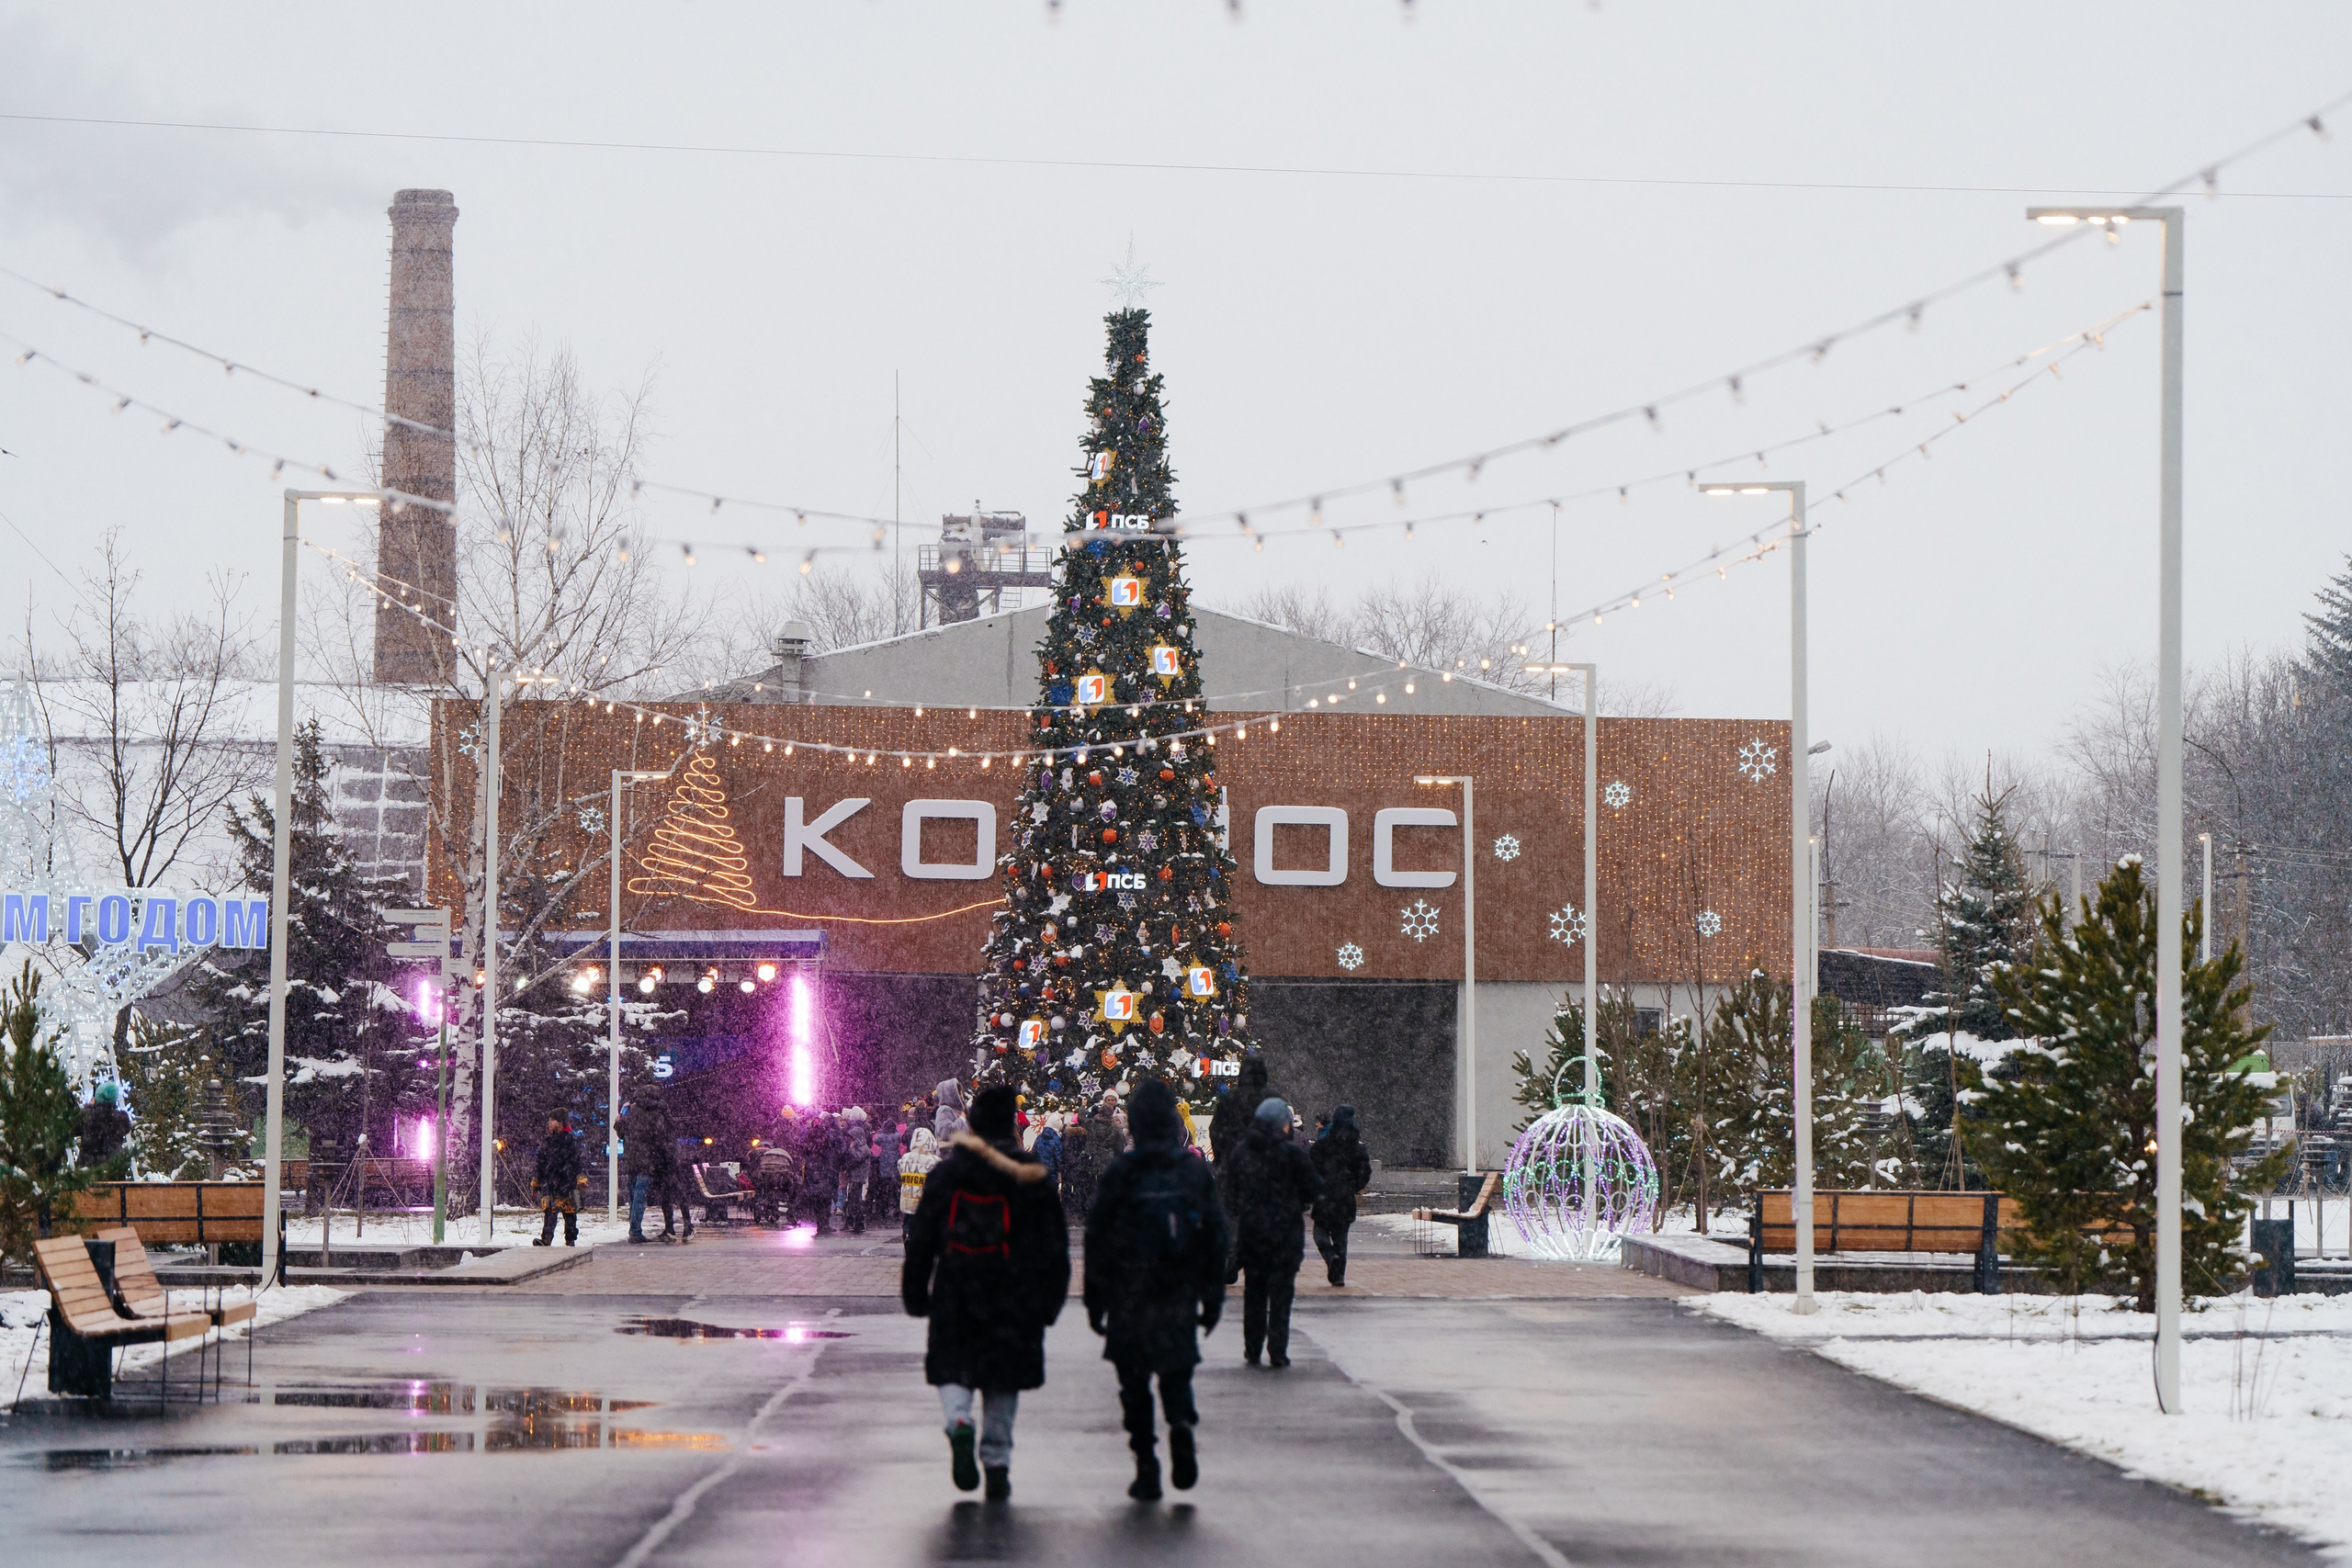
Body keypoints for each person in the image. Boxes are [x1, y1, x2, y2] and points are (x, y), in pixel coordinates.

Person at [902, 1085, 1069, 1503]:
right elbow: (1054, 1245)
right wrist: (1050, 1299)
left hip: (958, 1288)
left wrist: (915, 1290)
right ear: (1011, 1121)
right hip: (1014, 1292)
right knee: (1003, 1377)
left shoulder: (948, 1173)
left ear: (972, 1121)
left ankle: (959, 1421)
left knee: (953, 1365)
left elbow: (922, 1238)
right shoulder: (1030, 1174)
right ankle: (996, 1459)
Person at [1084, 1078, 1227, 1503]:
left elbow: (1098, 1239)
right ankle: (1181, 1427)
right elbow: (1213, 1234)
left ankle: (1146, 1461)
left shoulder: (1122, 1173)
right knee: (1176, 1370)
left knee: (1134, 1382)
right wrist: (1212, 1293)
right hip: (1177, 1287)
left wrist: (1096, 1299)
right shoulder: (1192, 1170)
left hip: (1131, 1290)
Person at [1223, 1097, 1320, 1367]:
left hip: (1253, 1233)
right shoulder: (1292, 1155)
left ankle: (1252, 1348)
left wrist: (1246, 1207)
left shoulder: (1242, 1152)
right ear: (1284, 1125)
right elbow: (1312, 1190)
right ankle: (1277, 1350)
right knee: (1281, 1295)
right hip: (1285, 1234)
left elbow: (1230, 1195)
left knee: (1254, 1292)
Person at [1308, 1104, 1374, 1287]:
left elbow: (1311, 1168)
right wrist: (1352, 1186)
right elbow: (1364, 1172)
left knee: (1320, 1234)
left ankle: (1330, 1257)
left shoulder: (1323, 1145)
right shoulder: (1357, 1148)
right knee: (1341, 1238)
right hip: (1345, 1199)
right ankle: (1339, 1276)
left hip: (1324, 1197)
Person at [621, 1097, 673, 1244]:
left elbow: (620, 1131)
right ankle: (635, 1232)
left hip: (631, 1161)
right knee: (639, 1197)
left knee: (634, 1197)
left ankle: (634, 1230)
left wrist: (621, 1119)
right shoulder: (650, 1115)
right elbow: (658, 1136)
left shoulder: (629, 1112)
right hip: (645, 1163)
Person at [531, 1113, 584, 1247]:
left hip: (567, 1181)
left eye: (552, 1120)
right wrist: (537, 1182)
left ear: (560, 1122)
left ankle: (570, 1239)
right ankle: (546, 1239)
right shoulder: (548, 1141)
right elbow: (541, 1163)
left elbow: (578, 1163)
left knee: (570, 1214)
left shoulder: (571, 1141)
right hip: (551, 1182)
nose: (549, 1123)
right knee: (550, 1212)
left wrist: (580, 1180)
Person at [899, 1124, 941, 1243]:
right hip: (926, 1202)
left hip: (908, 1201)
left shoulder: (905, 1158)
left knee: (908, 1222)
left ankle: (908, 1238)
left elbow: (900, 1172)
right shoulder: (935, 1161)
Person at [77, 1082, 131, 1174]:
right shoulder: (120, 1118)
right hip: (114, 1169)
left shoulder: (86, 1116)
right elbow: (126, 1127)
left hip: (89, 1168)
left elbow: (74, 1129)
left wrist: (90, 1107)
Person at [841, 1106, 872, 1235]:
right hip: (854, 1176)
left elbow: (857, 1158)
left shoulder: (863, 1148)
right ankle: (852, 1222)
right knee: (852, 1199)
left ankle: (858, 1222)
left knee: (856, 1200)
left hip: (858, 1177)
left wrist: (851, 1149)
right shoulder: (862, 1146)